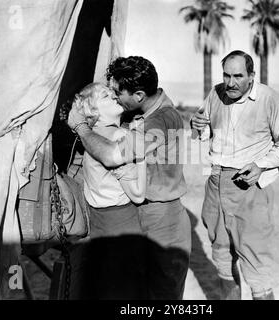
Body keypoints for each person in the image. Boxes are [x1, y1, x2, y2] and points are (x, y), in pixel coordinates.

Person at [68, 56, 191, 300]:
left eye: (117, 93)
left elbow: (113, 156)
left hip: (161, 218)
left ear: (138, 95)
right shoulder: (134, 114)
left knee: (162, 296)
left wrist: (81, 127)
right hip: (134, 215)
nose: (114, 96)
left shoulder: (161, 120)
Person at [191, 50, 279, 300]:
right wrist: (197, 127)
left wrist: (260, 165)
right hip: (216, 182)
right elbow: (204, 134)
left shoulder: (269, 99)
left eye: (238, 76)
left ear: (252, 76)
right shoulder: (215, 94)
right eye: (226, 75)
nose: (231, 83)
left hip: (249, 188)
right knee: (222, 257)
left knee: (255, 263)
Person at [69, 82, 147, 299]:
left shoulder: (89, 140)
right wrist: (141, 156)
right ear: (94, 111)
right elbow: (139, 194)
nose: (113, 95)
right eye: (104, 96)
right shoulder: (121, 136)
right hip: (122, 223)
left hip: (97, 224)